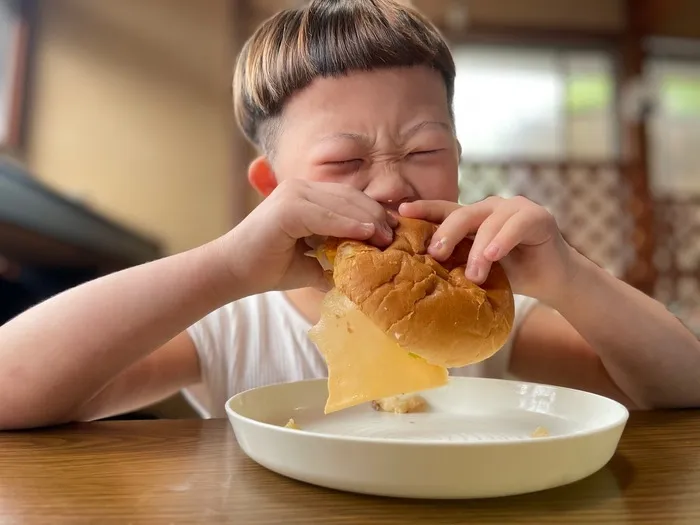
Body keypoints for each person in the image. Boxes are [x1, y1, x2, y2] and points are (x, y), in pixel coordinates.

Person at [0, 0, 698, 430]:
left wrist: (569, 275)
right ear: (272, 187)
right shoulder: (232, 322)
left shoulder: (490, 325)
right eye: (343, 162)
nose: (392, 185)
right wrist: (224, 266)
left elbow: (680, 390)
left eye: (425, 149)